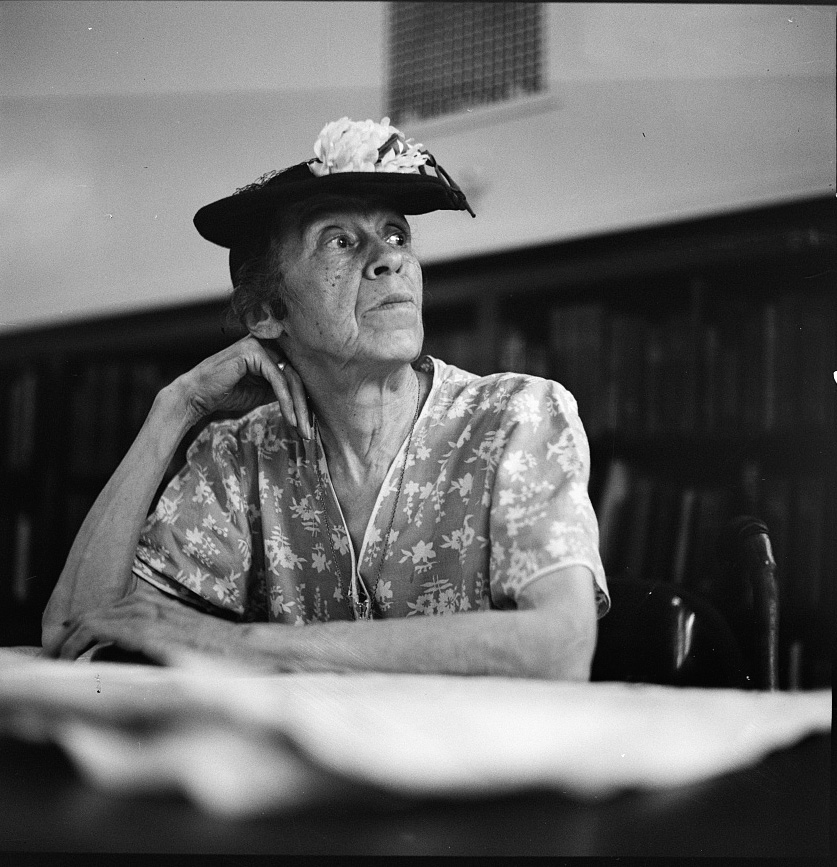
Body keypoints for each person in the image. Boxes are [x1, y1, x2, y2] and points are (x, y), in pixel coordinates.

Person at [42, 116, 609, 678]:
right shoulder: (238, 456)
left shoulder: (515, 415)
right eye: (339, 241)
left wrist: (245, 645)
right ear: (265, 312)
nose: (390, 257)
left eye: (395, 234)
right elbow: (76, 636)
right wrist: (177, 406)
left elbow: (560, 650)